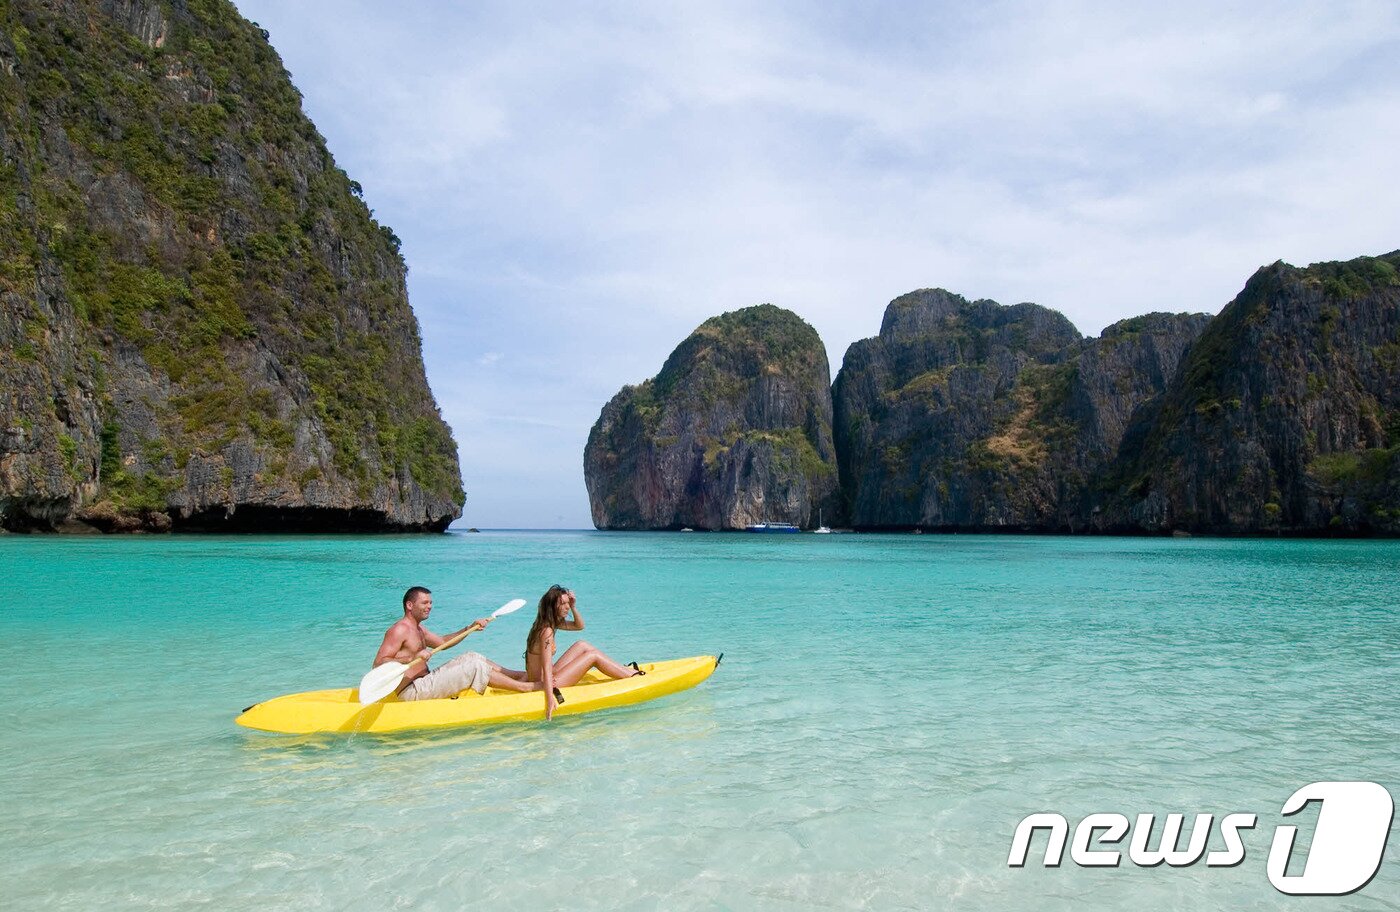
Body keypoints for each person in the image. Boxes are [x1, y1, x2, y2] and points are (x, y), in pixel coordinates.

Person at [374, 586, 554, 702]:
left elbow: (444, 642)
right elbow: (379, 662)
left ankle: (519, 676)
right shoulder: (399, 629)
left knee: (472, 656)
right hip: (412, 691)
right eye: (425, 602)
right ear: (409, 605)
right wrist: (410, 659)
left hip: (424, 683)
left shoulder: (419, 629)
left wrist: (470, 627)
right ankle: (525, 687)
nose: (429, 606)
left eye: (431, 602)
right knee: (474, 666)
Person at [525, 585, 641, 721]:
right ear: (552, 607)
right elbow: (545, 665)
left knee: (582, 645)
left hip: (548, 676)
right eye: (563, 603)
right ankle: (633, 676)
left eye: (568, 603)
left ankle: (622, 670)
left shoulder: (547, 623)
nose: (567, 607)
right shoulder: (547, 632)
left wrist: (574, 606)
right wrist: (550, 698)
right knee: (593, 656)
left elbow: (579, 626)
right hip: (547, 682)